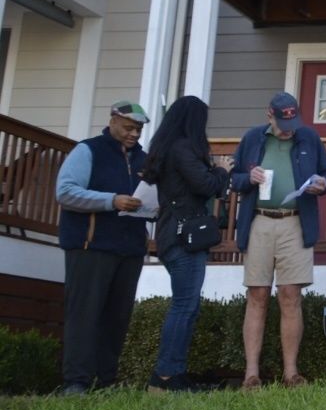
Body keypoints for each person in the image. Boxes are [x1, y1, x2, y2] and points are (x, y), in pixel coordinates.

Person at [231, 92, 326, 389]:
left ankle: (291, 373)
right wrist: (247, 178)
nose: (288, 127)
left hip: (295, 222)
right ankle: (251, 374)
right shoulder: (253, 138)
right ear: (269, 115)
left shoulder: (309, 138)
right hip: (260, 221)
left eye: (292, 120)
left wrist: (323, 183)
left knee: (291, 297)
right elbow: (234, 179)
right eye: (282, 120)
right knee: (257, 296)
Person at [53, 101, 151, 394]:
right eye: (129, 127)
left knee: (117, 317)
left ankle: (106, 380)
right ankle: (76, 381)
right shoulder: (88, 150)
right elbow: (66, 192)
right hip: (90, 245)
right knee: (84, 313)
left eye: (139, 129)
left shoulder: (143, 160)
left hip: (129, 248)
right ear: (113, 121)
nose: (134, 133)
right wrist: (112, 201)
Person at [142, 97, 233, 393]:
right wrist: (221, 169)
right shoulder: (183, 148)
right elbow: (206, 186)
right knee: (184, 306)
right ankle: (166, 376)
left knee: (187, 306)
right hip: (184, 239)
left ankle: (173, 373)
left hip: (172, 236)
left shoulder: (168, 148)